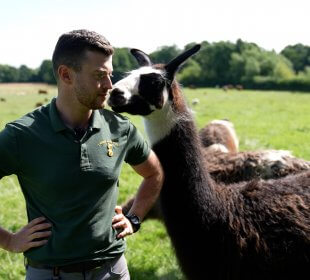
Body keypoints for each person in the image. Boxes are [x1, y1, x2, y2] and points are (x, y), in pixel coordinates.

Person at [0, 29, 164, 280]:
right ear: (66, 75)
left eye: (110, 75)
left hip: (113, 270)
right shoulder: (21, 135)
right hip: (49, 273)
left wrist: (135, 218)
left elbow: (154, 173)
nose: (110, 85)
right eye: (100, 76)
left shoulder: (120, 128)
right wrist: (10, 241)